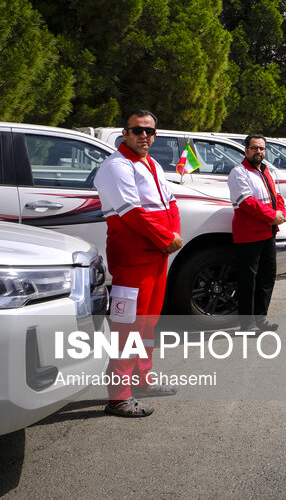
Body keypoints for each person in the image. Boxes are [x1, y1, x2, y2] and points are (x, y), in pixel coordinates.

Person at [95, 109, 183, 418]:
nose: (143, 135)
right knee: (128, 327)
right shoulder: (116, 166)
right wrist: (167, 238)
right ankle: (119, 396)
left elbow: (171, 203)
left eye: (149, 131)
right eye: (137, 130)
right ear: (125, 133)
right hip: (134, 259)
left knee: (148, 323)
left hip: (156, 256)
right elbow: (132, 213)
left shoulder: (152, 164)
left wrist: (173, 237)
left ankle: (142, 380)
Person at [228, 134, 286, 333]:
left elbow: (278, 197)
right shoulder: (239, 172)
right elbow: (247, 203)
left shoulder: (267, 171)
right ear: (246, 150)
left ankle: (261, 318)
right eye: (254, 148)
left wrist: (280, 214)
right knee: (248, 281)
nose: (258, 151)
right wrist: (272, 215)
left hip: (268, 233)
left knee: (267, 278)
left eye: (261, 148)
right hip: (249, 235)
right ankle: (247, 325)